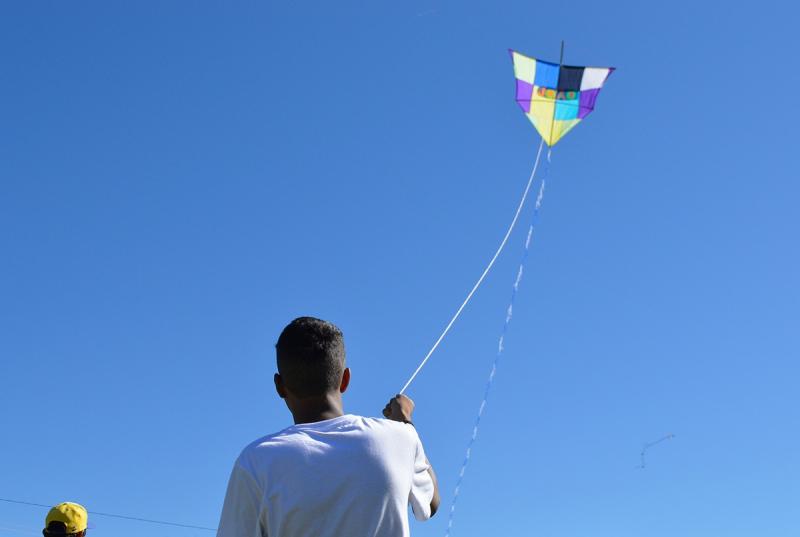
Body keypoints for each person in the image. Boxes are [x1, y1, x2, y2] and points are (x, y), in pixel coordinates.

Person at [217, 316, 440, 537]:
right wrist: (405, 421)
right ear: (345, 379)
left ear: (279, 386)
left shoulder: (256, 461)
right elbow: (430, 504)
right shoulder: (401, 437)